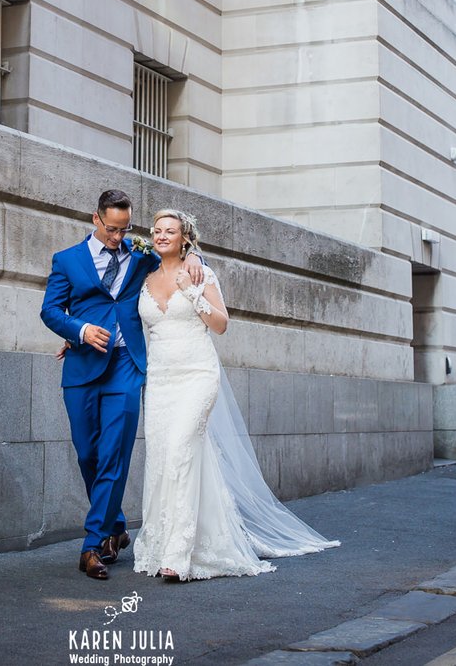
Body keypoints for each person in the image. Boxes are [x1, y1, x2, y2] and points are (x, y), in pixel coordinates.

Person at [131, 208, 338, 581]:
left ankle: (178, 557)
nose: (162, 236)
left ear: (184, 239)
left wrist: (192, 293)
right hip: (160, 380)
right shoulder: (141, 277)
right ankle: (167, 542)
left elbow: (222, 324)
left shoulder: (199, 272)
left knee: (180, 449)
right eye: (157, 230)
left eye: (170, 231)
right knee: (163, 458)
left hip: (197, 374)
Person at [39, 190, 202, 581]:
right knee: (88, 455)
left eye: (124, 229)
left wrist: (194, 256)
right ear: (96, 219)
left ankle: (91, 545)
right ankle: (114, 524)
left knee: (114, 453)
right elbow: (49, 310)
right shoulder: (67, 260)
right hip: (82, 366)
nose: (118, 237)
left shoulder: (141, 253)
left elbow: (178, 255)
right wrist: (78, 329)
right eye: (112, 229)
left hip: (126, 365)